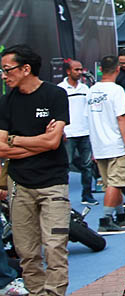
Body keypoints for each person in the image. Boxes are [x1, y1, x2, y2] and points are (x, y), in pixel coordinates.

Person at [0, 45, 70, 296]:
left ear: (26, 69)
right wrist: (39, 141)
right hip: (18, 185)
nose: (4, 75)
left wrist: (14, 140)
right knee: (26, 252)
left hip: (53, 183)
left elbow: (53, 142)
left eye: (7, 70)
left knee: (55, 248)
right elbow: (0, 148)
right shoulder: (5, 102)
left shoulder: (55, 95)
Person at [86, 55, 125, 234]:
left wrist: (93, 147)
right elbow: (121, 117)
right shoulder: (116, 90)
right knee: (117, 182)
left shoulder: (91, 91)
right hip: (115, 144)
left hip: (99, 145)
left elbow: (89, 119)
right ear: (117, 69)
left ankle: (120, 215)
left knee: (110, 183)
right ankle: (105, 219)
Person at [58, 59, 97, 206]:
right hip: (68, 133)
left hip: (85, 132)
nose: (80, 72)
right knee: (65, 165)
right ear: (68, 71)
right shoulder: (60, 89)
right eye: (77, 70)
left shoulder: (85, 89)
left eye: (81, 69)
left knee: (87, 165)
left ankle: (87, 195)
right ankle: (62, 197)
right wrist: (61, 131)